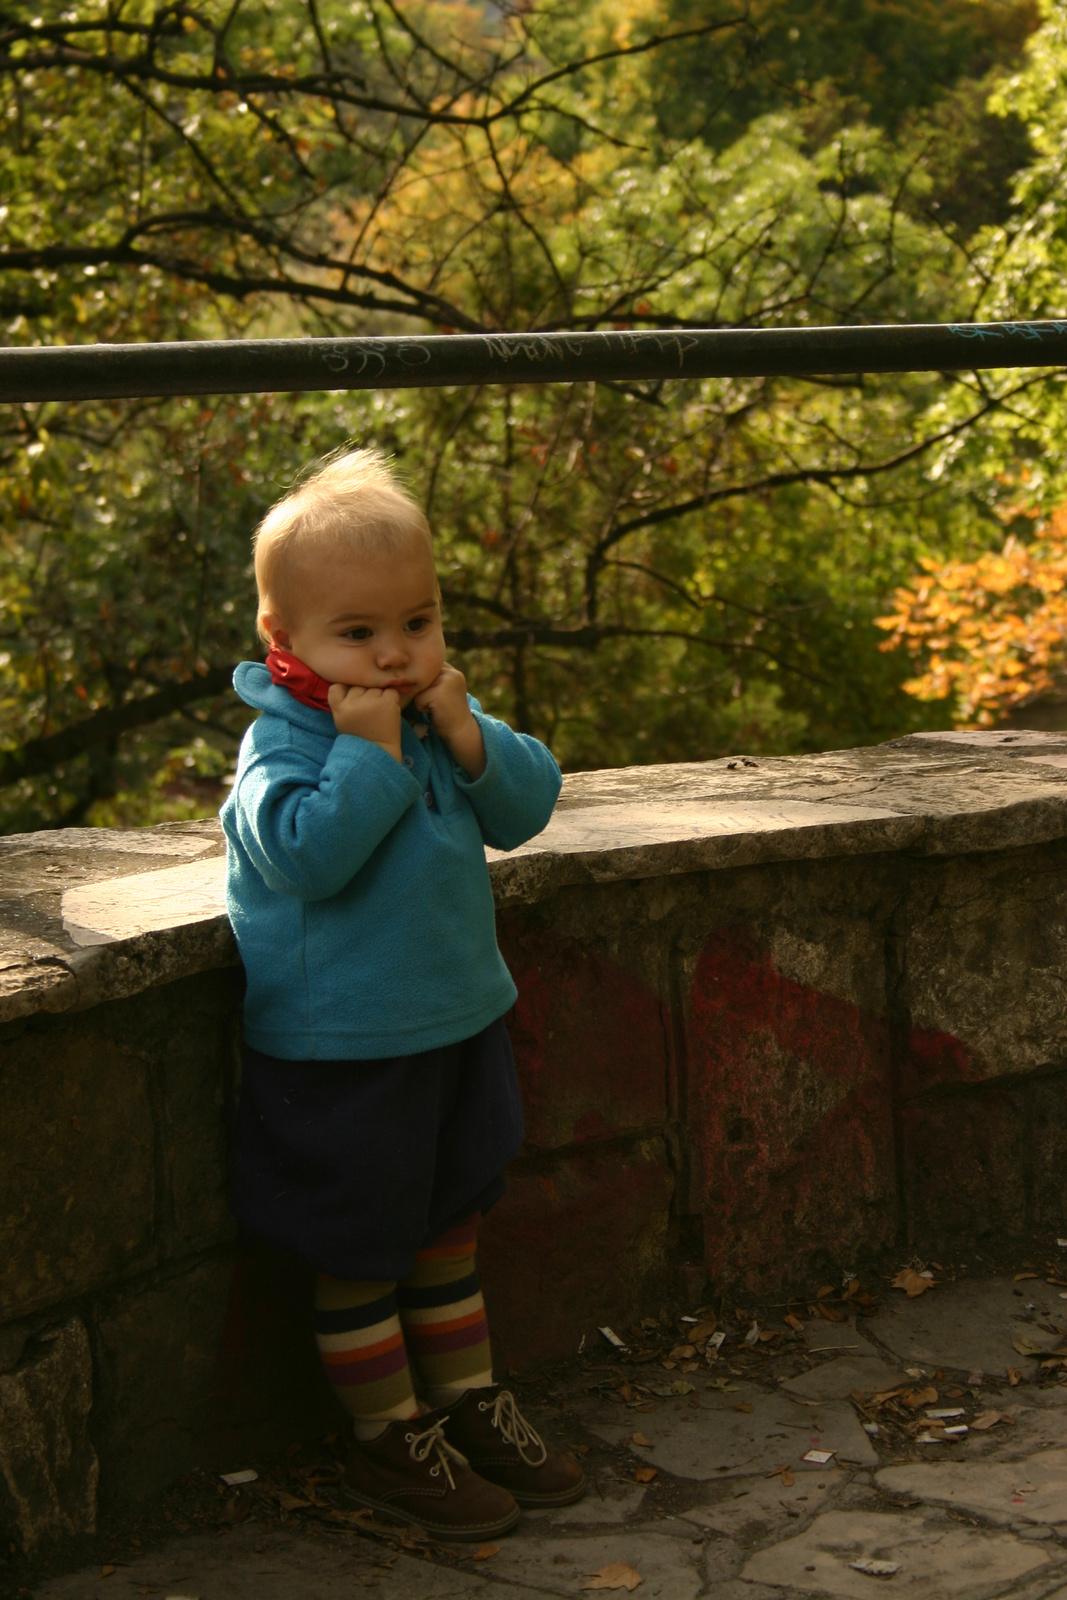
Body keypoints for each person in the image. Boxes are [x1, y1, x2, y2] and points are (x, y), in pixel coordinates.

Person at [220, 448, 584, 1542]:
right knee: (361, 1249)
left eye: (416, 621)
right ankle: (386, 1430)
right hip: (344, 1051)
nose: (393, 652)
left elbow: (525, 807)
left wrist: (469, 733)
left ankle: (465, 1397)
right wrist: (365, 757)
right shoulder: (280, 742)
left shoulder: (432, 715)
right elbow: (306, 858)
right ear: (285, 643)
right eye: (357, 632)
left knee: (446, 1233)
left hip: (454, 1019)